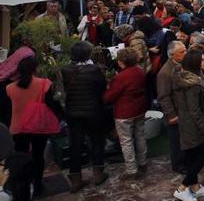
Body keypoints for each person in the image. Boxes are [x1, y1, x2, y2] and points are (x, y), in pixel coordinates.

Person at [7, 56, 60, 197]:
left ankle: (21, 187)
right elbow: (52, 104)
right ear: (35, 69)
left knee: (21, 158)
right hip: (38, 126)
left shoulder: (9, 88)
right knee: (38, 156)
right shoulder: (44, 84)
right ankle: (37, 185)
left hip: (18, 128)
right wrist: (60, 117)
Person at [61, 40, 108, 192]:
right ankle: (98, 174)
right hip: (93, 111)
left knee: (75, 144)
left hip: (73, 112)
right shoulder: (95, 70)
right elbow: (102, 88)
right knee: (96, 141)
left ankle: (75, 179)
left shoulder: (65, 70)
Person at [172, 49, 204, 201]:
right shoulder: (193, 84)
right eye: (202, 60)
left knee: (193, 155)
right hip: (194, 125)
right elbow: (195, 110)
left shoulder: (195, 78)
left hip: (189, 123)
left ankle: (194, 186)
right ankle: (182, 187)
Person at [103, 47, 149, 181]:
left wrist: (106, 91)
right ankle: (143, 163)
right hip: (139, 109)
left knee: (126, 141)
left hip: (124, 112)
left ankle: (131, 169)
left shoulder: (121, 77)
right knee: (140, 136)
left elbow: (109, 97)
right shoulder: (140, 71)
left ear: (122, 61)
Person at [157, 40, 187, 175]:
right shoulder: (165, 72)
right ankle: (178, 165)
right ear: (172, 55)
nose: (186, 53)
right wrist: (171, 115)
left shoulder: (180, 65)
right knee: (176, 141)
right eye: (182, 52)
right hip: (175, 113)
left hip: (183, 110)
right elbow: (164, 96)